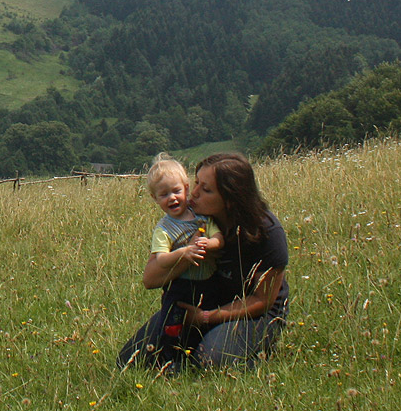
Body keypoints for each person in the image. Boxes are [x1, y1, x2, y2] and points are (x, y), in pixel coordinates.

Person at [118, 151, 288, 371]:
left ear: (230, 199)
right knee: (130, 361)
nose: (193, 194)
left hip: (253, 314)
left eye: (205, 189)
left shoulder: (267, 232)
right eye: (196, 183)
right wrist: (190, 254)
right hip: (201, 302)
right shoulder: (192, 219)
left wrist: (206, 317)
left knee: (210, 360)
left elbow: (262, 300)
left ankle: (253, 358)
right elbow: (150, 279)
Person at [116, 155, 222, 370]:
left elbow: (219, 239)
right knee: (171, 326)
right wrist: (184, 253)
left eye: (176, 191)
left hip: (208, 282)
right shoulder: (164, 229)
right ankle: (169, 361)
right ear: (155, 198)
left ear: (186, 188)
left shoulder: (202, 217)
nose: (171, 198)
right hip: (179, 288)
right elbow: (162, 259)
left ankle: (195, 353)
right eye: (164, 195)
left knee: (200, 323)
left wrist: (206, 245)